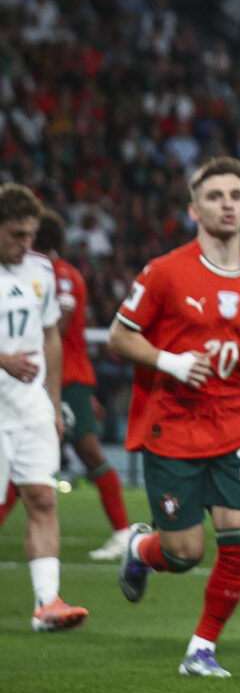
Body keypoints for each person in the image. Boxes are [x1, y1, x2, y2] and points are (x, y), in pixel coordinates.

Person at [108, 158, 240, 674]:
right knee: (184, 553)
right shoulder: (165, 272)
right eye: (216, 195)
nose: (227, 204)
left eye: (236, 195)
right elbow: (119, 336)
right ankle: (142, 547)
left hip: (237, 421)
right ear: (194, 209)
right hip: (172, 423)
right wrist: (171, 361)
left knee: (238, 533)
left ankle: (202, 647)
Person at [0, 186, 83, 632]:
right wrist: (2, 359)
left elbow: (51, 336)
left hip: (30, 406)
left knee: (43, 498)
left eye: (30, 234)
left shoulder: (41, 271)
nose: (26, 244)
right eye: (16, 235)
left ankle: (47, 604)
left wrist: (54, 402)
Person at [36, 213, 134, 561]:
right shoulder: (43, 273)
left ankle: (124, 532)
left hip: (65, 377)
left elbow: (58, 329)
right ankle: (123, 532)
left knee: (89, 452)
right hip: (51, 376)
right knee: (25, 457)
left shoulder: (59, 275)